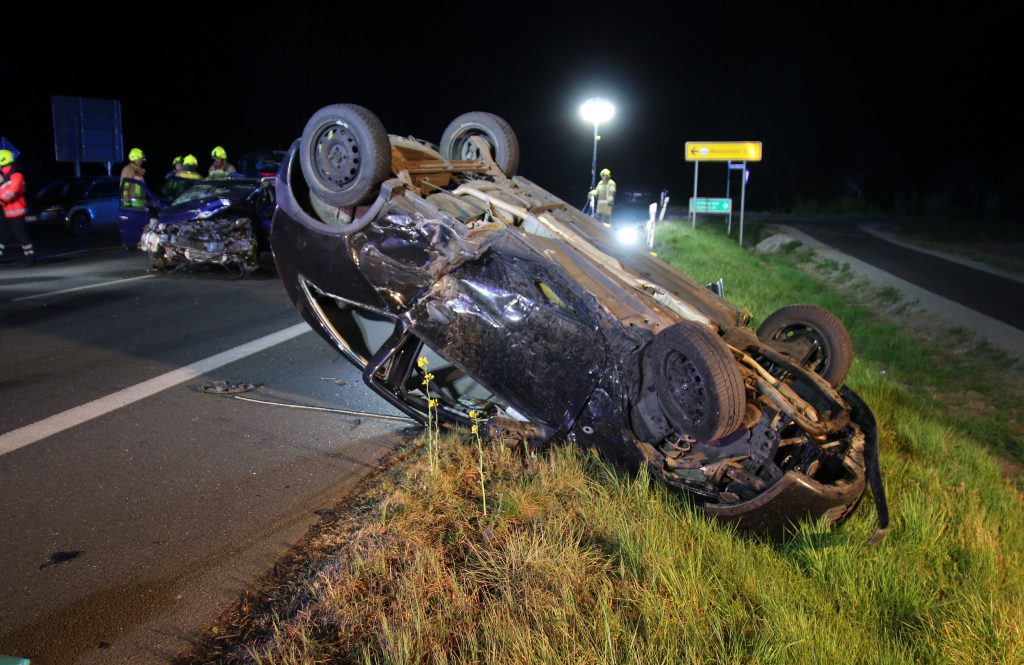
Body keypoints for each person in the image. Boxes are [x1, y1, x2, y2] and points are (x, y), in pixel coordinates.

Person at [0, 149, 35, 265]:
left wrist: (1, 200)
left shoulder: (16, 175)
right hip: (6, 211)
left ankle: (30, 257)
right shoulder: (4, 176)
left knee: (20, 234)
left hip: (16, 212)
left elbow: (13, 190)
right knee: (2, 235)